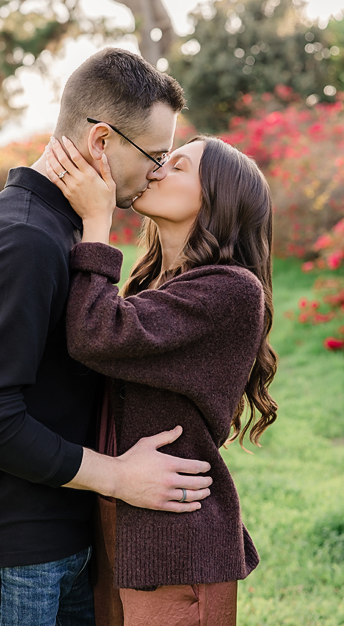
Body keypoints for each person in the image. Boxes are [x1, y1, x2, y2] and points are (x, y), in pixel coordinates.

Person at [0, 47, 214, 625]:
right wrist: (118, 477)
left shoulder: (64, 232)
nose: (159, 171)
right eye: (155, 156)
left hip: (57, 535)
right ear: (102, 142)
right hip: (10, 553)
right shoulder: (25, 241)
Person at [43, 134, 277, 626]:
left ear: (217, 196)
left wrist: (96, 222)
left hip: (176, 543)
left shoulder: (232, 290)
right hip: (123, 524)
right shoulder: (153, 281)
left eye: (178, 167)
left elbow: (95, 334)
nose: (155, 170)